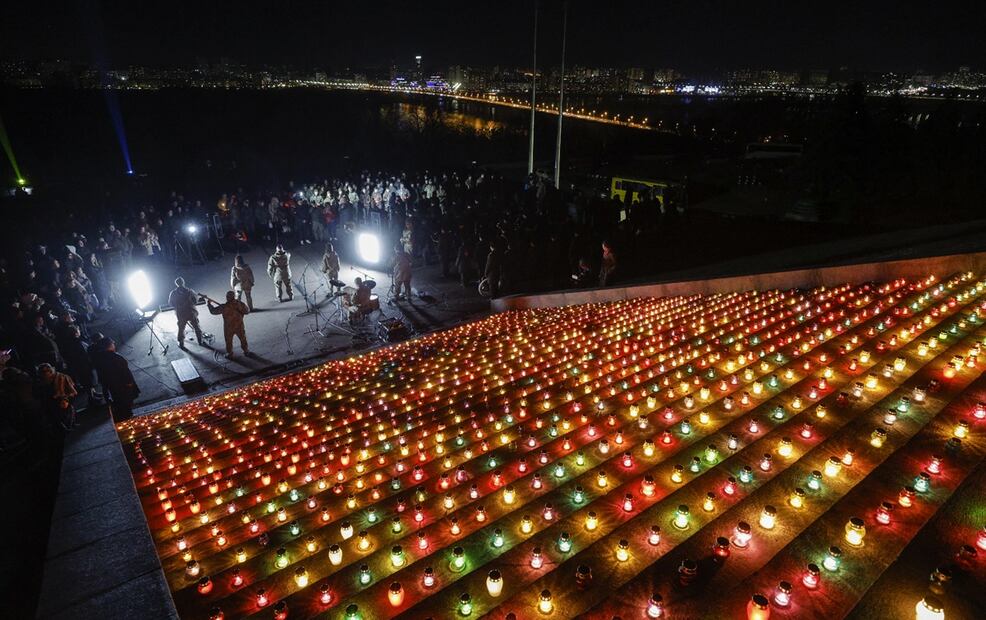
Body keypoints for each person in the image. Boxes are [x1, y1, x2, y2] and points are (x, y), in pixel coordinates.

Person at [90, 337, 139, 422]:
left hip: (111, 386)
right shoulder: (116, 357)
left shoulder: (99, 358)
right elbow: (125, 371)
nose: (114, 345)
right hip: (123, 385)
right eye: (112, 343)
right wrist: (129, 382)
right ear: (109, 345)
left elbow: (100, 373)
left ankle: (124, 415)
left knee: (118, 400)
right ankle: (127, 416)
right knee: (126, 401)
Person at [207, 291, 250, 357]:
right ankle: (246, 350)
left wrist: (209, 304)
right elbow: (247, 311)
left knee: (228, 340)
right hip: (239, 325)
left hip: (229, 327)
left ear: (227, 297)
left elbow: (213, 311)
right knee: (243, 338)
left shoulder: (224, 307)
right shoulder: (240, 304)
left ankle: (230, 353)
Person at [36, 362, 78, 431]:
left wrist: (66, 399)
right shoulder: (42, 382)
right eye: (42, 373)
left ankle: (67, 424)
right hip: (52, 401)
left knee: (64, 408)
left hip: (64, 398)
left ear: (50, 371)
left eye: (45, 372)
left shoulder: (62, 377)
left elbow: (73, 392)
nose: (44, 375)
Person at [168, 277, 204, 348]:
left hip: (181, 313)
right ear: (183, 282)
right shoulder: (190, 291)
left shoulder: (173, 293)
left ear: (176, 284)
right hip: (191, 312)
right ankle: (200, 340)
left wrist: (178, 306)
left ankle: (181, 343)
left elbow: (171, 303)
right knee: (196, 326)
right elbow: (195, 301)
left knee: (181, 328)